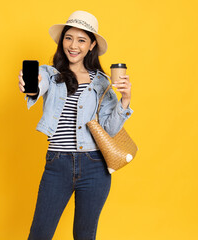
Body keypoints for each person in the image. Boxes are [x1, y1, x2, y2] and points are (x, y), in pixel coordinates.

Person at [18, 11, 133, 240]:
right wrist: (29, 86)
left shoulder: (102, 82)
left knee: (84, 236)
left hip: (95, 166)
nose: (73, 45)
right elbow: (36, 87)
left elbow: (109, 130)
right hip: (57, 164)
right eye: (69, 38)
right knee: (39, 234)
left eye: (81, 40)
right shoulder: (50, 74)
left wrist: (125, 101)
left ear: (91, 46)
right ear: (62, 41)